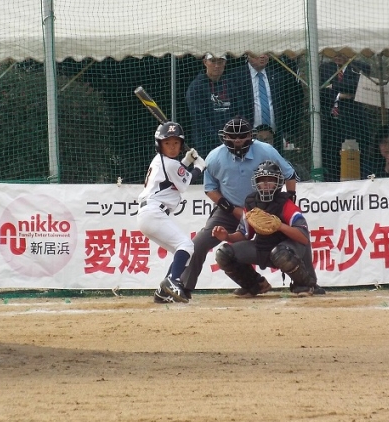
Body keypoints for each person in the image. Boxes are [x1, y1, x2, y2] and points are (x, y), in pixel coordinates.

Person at [175, 116, 297, 299]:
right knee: (199, 244)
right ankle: (185, 288)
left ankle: (306, 282)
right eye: (232, 136)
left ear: (251, 135)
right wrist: (234, 210)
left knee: (293, 239)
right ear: (224, 137)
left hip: (267, 209)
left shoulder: (266, 151)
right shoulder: (215, 157)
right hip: (230, 211)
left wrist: (290, 200)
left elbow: (289, 174)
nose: (237, 140)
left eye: (242, 136)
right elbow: (210, 189)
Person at [212, 161, 325, 296]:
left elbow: (303, 237)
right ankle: (255, 285)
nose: (265, 184)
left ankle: (305, 284)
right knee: (223, 254)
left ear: (278, 182)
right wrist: (227, 236)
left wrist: (279, 226)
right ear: (256, 182)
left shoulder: (285, 203)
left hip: (288, 247)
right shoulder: (251, 202)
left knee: (281, 253)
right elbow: (244, 234)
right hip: (262, 247)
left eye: (270, 180)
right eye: (261, 180)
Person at [137, 121, 206, 304]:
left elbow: (176, 174)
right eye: (167, 143)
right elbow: (186, 181)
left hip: (148, 214)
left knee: (181, 250)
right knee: (186, 245)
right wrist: (199, 166)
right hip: (153, 212)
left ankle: (163, 292)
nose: (172, 147)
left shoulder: (161, 161)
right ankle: (173, 281)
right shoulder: (170, 164)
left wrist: (187, 161)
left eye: (176, 143)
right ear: (159, 144)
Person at [229, 53, 305, 150]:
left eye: (265, 53)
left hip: (274, 136)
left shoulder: (277, 75)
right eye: (258, 53)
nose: (262, 56)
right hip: (246, 136)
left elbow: (286, 103)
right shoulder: (236, 76)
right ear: (248, 54)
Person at [319, 53, 372, 182]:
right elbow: (321, 91)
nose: (337, 56)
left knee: (354, 161)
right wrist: (340, 95)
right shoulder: (325, 68)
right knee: (331, 161)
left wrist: (333, 86)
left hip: (353, 124)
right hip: (331, 124)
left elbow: (356, 86)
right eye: (335, 53)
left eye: (341, 53)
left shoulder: (360, 67)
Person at [185, 54, 240, 157]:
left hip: (231, 143)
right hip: (205, 145)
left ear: (225, 63)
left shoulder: (230, 85)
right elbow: (198, 117)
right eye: (213, 61)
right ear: (205, 62)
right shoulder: (196, 87)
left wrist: (233, 134)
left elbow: (238, 111)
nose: (217, 65)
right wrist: (218, 137)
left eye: (220, 62)